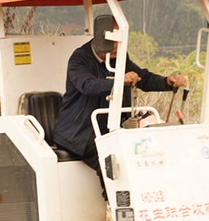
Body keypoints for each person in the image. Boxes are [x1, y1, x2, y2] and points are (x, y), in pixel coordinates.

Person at [53, 38, 187, 169]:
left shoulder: (119, 58)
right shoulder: (80, 58)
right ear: (100, 38)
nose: (117, 46)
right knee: (112, 162)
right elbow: (87, 85)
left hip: (108, 129)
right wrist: (120, 81)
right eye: (112, 41)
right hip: (77, 131)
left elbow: (143, 78)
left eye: (120, 41)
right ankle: (112, 192)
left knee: (145, 153)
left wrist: (167, 82)